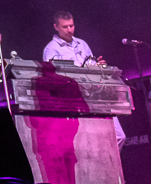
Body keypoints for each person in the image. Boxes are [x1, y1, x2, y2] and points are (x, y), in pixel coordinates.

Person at [42, 10, 125, 146]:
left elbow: (91, 65)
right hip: (75, 100)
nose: (69, 30)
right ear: (56, 27)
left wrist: (98, 66)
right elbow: (53, 77)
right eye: (65, 27)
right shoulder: (51, 49)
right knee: (91, 142)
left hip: (96, 94)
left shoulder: (82, 44)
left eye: (71, 25)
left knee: (119, 137)